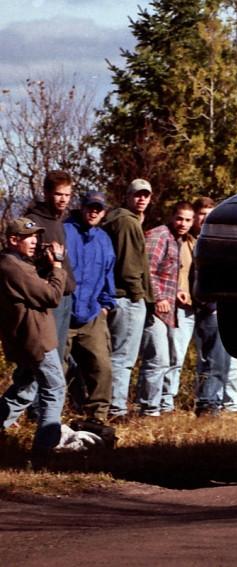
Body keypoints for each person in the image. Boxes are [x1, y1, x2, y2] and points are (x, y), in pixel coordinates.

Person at [0, 218, 67, 463]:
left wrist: (44, 263)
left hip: (25, 339)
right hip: (36, 339)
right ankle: (44, 451)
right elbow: (50, 295)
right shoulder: (13, 267)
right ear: (13, 240)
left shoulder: (13, 264)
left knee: (25, 389)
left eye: (36, 237)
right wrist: (58, 266)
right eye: (29, 237)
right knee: (55, 388)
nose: (35, 241)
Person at [102, 178, 154, 421]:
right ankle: (116, 409)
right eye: (137, 195)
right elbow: (129, 266)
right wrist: (138, 295)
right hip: (127, 297)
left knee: (118, 355)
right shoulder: (126, 222)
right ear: (127, 196)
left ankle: (111, 405)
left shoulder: (125, 220)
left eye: (146, 195)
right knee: (123, 358)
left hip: (120, 297)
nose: (141, 199)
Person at [137, 201, 195, 416]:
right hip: (155, 310)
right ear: (172, 216)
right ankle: (148, 409)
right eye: (179, 218)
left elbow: (166, 275)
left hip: (168, 310)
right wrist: (159, 297)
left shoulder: (177, 240)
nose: (183, 223)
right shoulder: (160, 235)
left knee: (168, 359)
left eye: (188, 220)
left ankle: (158, 406)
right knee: (157, 360)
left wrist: (176, 292)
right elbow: (148, 270)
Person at [63, 191, 117, 424]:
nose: (94, 212)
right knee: (53, 369)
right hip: (63, 313)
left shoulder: (104, 239)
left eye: (99, 208)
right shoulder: (64, 231)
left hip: (92, 314)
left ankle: (97, 417)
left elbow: (108, 275)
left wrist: (106, 304)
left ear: (104, 212)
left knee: (101, 366)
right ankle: (44, 416)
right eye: (90, 207)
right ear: (82, 207)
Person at [25, 170, 77, 362]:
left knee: (58, 356)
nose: (63, 199)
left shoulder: (59, 221)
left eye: (67, 195)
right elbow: (24, 263)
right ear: (47, 193)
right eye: (58, 194)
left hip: (65, 295)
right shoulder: (33, 222)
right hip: (47, 298)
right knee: (44, 359)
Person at [190, 197, 232, 417]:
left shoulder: (217, 240)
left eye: (210, 213)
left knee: (221, 360)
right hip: (205, 308)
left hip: (221, 309)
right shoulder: (193, 241)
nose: (205, 218)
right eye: (202, 213)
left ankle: (213, 402)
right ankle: (206, 404)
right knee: (211, 359)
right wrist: (208, 304)